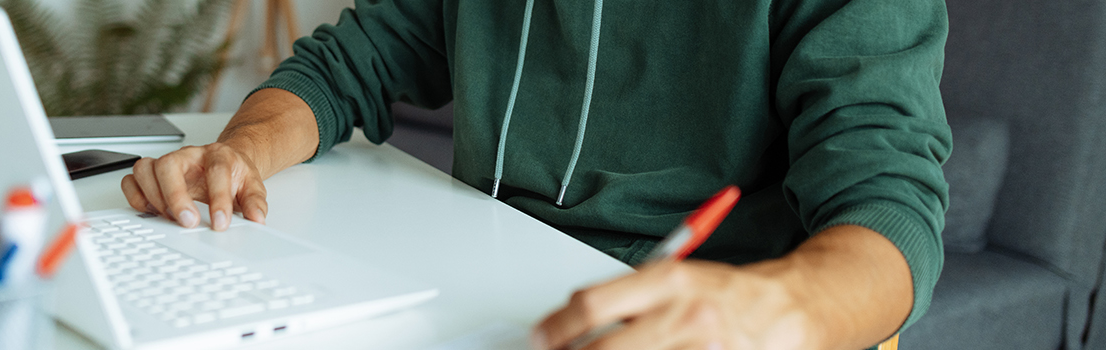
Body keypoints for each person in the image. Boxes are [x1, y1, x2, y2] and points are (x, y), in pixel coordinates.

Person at [120, 0, 950, 349]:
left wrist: (780, 311)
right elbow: (346, 65)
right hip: (505, 302)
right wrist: (240, 152)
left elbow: (891, 210)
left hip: (706, 318)